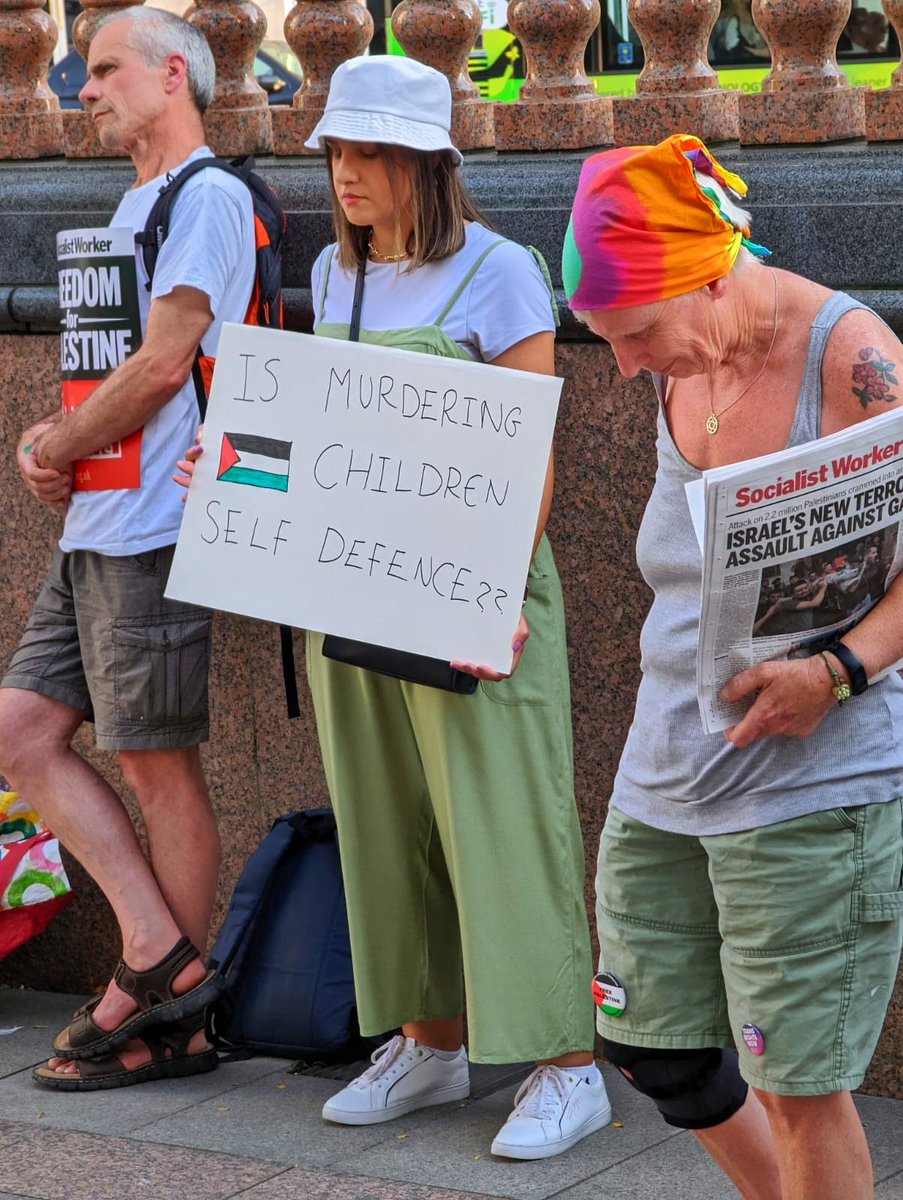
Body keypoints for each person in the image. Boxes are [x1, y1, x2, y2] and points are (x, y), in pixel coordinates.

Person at [180, 53, 608, 1159]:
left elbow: (531, 457)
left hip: (476, 598)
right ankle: (432, 1041)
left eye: (371, 152)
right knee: (384, 818)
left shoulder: (503, 272)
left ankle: (568, 1065)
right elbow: (320, 444)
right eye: (338, 151)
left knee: (503, 822)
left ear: (429, 163)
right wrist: (231, 474)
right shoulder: (330, 275)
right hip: (350, 589)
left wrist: (497, 595)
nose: (348, 172)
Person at [563, 134, 903, 1200]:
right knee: (655, 1046)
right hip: (668, 760)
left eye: (635, 334)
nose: (621, 364)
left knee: (801, 1086)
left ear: (706, 275)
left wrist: (839, 669)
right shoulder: (683, 362)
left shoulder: (849, 357)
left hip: (810, 776)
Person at [0, 7, 256, 1089]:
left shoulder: (206, 197)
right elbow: (110, 368)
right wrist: (51, 441)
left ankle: (169, 1020)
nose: (83, 88)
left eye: (104, 70)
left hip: (155, 525)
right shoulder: (140, 200)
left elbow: (162, 366)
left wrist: (62, 437)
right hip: (98, 522)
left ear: (170, 75)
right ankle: (163, 954)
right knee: (20, 735)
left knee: (160, 767)